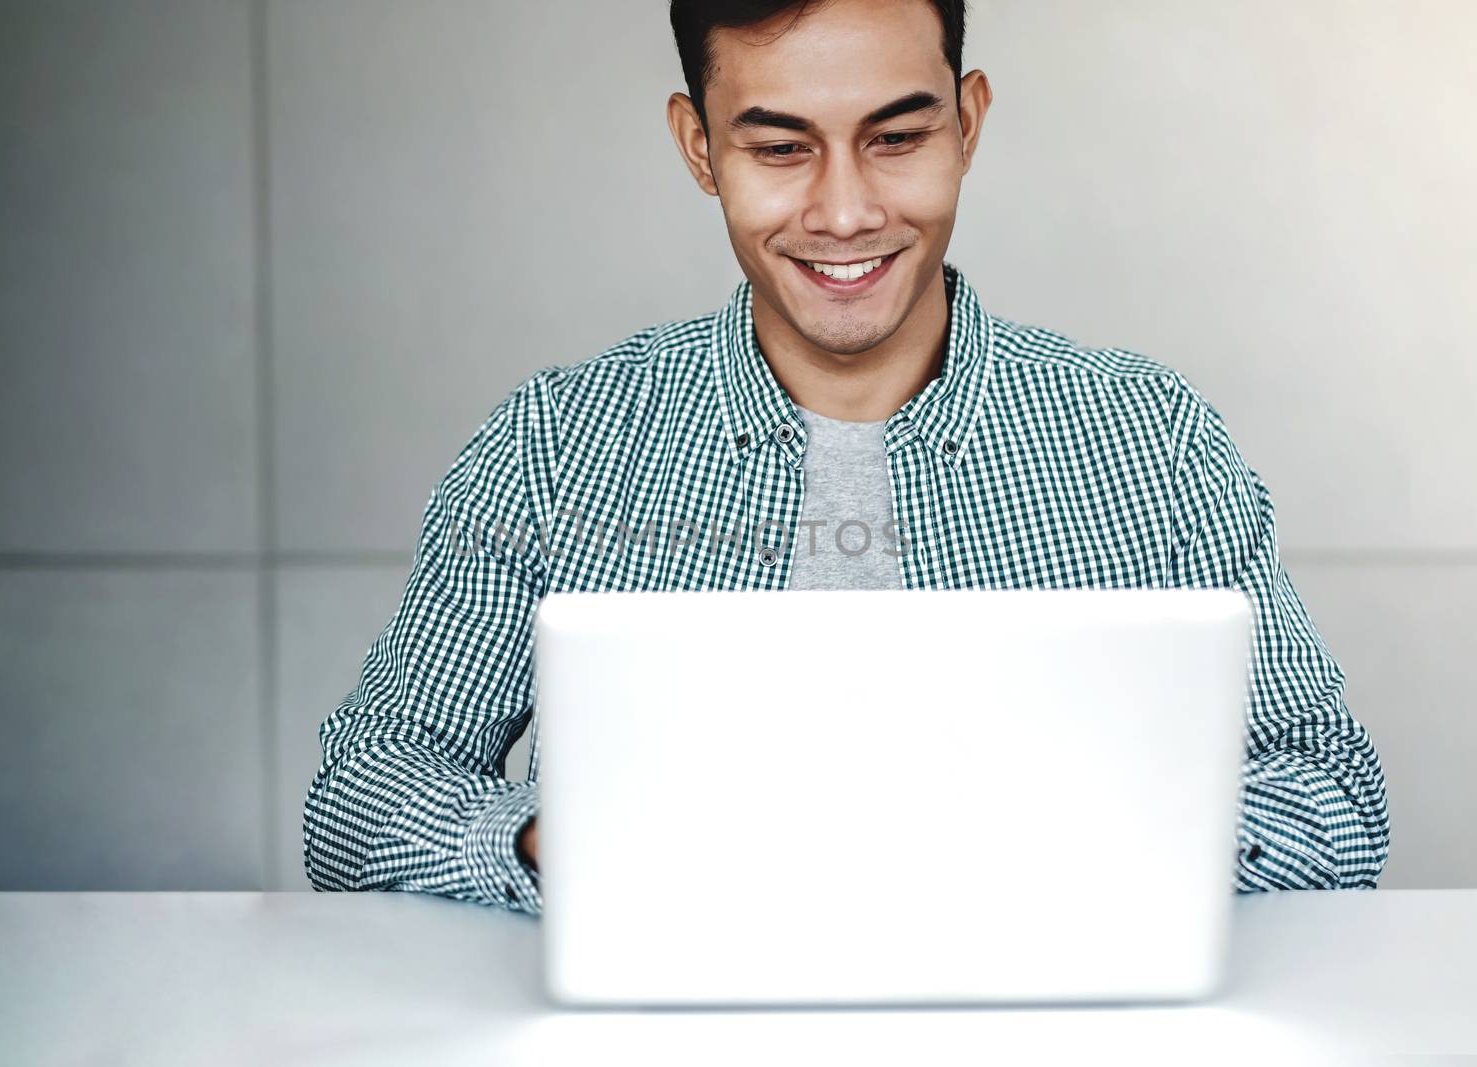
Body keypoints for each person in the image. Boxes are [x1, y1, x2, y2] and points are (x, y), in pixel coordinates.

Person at [303, 0, 1390, 914]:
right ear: (698, 147)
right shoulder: (554, 445)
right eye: (778, 148)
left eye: (896, 137)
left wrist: (1075, 843)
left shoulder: (1149, 443)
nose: (844, 211)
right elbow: (359, 799)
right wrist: (570, 846)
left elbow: (1331, 792)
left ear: (967, 123)